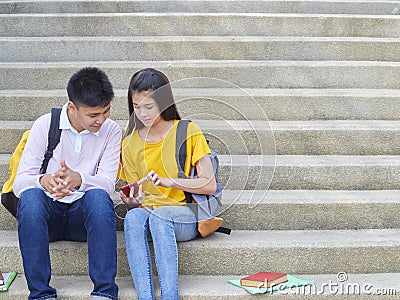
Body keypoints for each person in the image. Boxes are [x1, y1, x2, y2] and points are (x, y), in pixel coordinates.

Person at [13, 67, 121, 300]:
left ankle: (104, 292)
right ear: (72, 107)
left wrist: (79, 180)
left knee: (100, 197)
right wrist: (45, 181)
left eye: (106, 111)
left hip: (83, 217)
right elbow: (20, 182)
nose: (101, 120)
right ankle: (41, 294)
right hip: (47, 216)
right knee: (30, 197)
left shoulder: (112, 131)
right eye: (93, 115)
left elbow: (107, 183)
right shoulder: (45, 124)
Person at [119, 68, 217, 300]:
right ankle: (146, 297)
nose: (141, 113)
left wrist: (170, 181)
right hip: (150, 216)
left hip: (184, 215)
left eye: (148, 107)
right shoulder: (130, 143)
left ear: (163, 103)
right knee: (134, 217)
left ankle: (170, 296)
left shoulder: (187, 131)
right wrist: (135, 201)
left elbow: (209, 184)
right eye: (136, 106)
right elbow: (138, 203)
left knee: (160, 216)